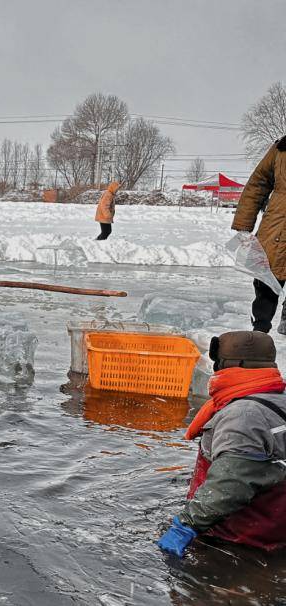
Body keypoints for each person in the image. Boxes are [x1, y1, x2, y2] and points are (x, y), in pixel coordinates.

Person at [157, 331, 286, 557]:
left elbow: (230, 483)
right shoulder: (277, 399)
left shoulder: (243, 416)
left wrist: (186, 525)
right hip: (274, 529)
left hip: (237, 541)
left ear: (227, 365)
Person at [231, 135, 286, 333]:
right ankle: (259, 331)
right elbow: (258, 182)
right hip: (277, 226)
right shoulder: (281, 148)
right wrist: (244, 223)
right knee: (268, 279)